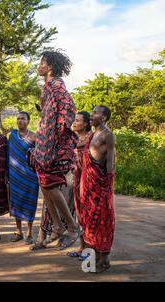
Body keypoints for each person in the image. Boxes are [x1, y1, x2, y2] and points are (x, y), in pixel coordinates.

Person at [30, 50, 80, 251]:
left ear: (50, 67)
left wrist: (52, 136)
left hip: (57, 143)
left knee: (49, 184)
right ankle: (57, 226)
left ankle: (72, 227)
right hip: (46, 143)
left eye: (42, 62)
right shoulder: (47, 88)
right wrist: (41, 136)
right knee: (44, 182)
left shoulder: (57, 86)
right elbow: (46, 116)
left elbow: (68, 112)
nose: (39, 65)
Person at [80, 105, 116, 273]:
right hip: (87, 185)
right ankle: (93, 257)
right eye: (92, 112)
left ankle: (104, 258)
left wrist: (107, 187)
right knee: (88, 219)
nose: (92, 115)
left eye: (95, 113)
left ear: (104, 117)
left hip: (99, 185)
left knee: (102, 219)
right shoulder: (92, 134)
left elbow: (110, 161)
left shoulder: (108, 135)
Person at [8, 112, 39, 245]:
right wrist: (6, 174)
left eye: (23, 119)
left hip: (30, 176)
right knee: (16, 202)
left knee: (30, 202)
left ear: (28, 121)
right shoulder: (12, 135)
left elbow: (39, 154)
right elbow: (8, 154)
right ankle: (18, 231)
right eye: (18, 119)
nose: (20, 121)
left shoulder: (34, 136)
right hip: (15, 175)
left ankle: (30, 232)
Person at [67, 111, 93, 259]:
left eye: (77, 121)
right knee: (79, 214)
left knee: (88, 214)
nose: (74, 123)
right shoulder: (75, 138)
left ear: (86, 123)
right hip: (76, 179)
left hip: (88, 180)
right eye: (74, 120)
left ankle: (90, 249)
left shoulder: (92, 138)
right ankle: (82, 247)